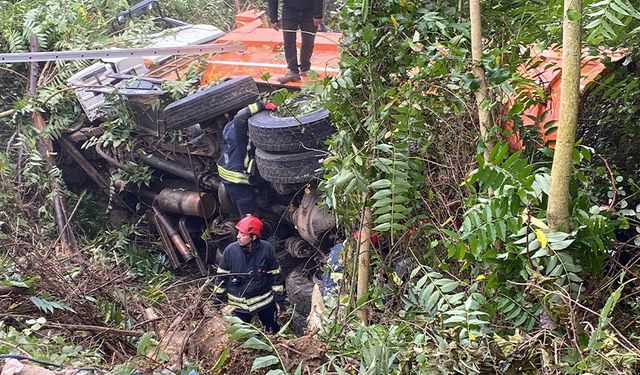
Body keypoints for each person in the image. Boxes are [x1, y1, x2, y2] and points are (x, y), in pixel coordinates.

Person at [213, 215, 285, 333]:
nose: (238, 236)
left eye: (242, 234)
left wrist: (279, 301)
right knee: (240, 338)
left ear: (253, 237)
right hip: (239, 306)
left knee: (273, 331)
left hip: (265, 303)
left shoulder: (266, 249)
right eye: (238, 232)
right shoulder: (230, 251)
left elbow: (275, 275)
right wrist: (216, 302)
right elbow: (221, 277)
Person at [217, 100, 277, 217]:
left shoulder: (228, 126)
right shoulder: (237, 127)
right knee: (249, 214)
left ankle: (266, 205)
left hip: (230, 168)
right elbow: (241, 116)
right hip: (236, 179)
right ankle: (248, 234)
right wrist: (262, 105)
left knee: (266, 186)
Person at [268, 0, 324, 84]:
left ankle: (305, 68)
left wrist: (318, 15)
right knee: (288, 41)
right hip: (289, 10)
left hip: (310, 11)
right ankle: (293, 71)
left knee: (308, 41)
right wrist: (273, 19)